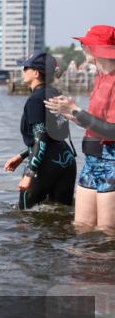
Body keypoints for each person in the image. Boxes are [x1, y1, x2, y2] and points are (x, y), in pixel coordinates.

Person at [43, 25, 115, 231]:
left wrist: (76, 111)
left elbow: (113, 131)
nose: (82, 46)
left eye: (85, 43)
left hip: (112, 162)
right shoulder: (101, 78)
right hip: (92, 160)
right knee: (81, 228)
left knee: (107, 234)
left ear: (98, 48)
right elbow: (98, 123)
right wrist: (72, 114)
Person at [1, 52, 76, 210]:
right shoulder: (56, 93)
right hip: (66, 160)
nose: (23, 70)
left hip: (45, 164)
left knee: (24, 218)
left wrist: (29, 174)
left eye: (25, 67)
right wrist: (22, 155)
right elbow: (51, 136)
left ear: (36, 73)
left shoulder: (35, 100)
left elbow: (41, 139)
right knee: (61, 217)